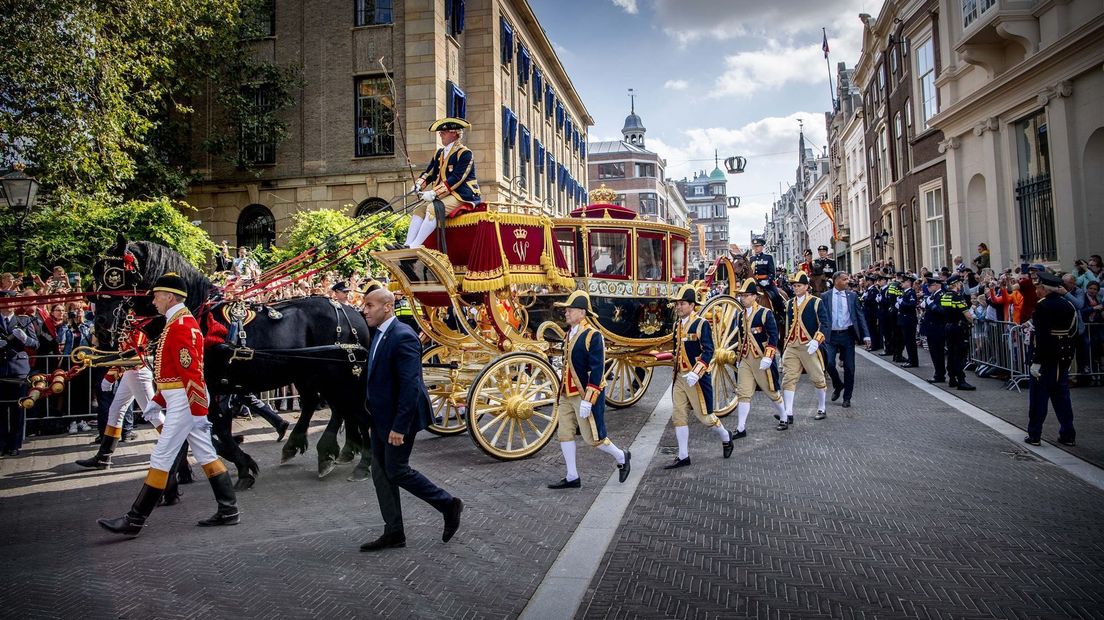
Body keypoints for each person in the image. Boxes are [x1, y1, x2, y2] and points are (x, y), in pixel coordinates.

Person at [98, 273, 239, 535]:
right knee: (206, 454)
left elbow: (192, 373)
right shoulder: (176, 323)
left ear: (169, 297)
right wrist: (157, 399)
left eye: (157, 296)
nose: (153, 301)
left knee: (161, 455)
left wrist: (197, 411)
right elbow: (172, 372)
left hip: (186, 401)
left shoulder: (181, 325)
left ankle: (135, 519)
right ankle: (229, 509)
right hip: (180, 398)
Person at [358, 287, 463, 551]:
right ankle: (394, 532)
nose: (364, 310)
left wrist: (399, 427)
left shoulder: (403, 336)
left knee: (396, 470)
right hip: (380, 418)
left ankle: (448, 504)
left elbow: (410, 386)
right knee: (381, 473)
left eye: (369, 305)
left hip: (397, 420)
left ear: (387, 307)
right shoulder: (379, 334)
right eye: (364, 305)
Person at [547, 291, 631, 488]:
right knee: (565, 433)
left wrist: (589, 399)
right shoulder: (569, 334)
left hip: (584, 394)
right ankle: (572, 476)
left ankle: (621, 457)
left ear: (582, 313)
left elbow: (597, 370)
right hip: (567, 393)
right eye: (566, 310)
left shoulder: (593, 336)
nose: (566, 313)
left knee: (593, 438)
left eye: (570, 310)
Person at [663, 284, 733, 469]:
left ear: (692, 305)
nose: (678, 307)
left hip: (696, 378)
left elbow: (708, 351)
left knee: (705, 418)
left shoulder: (701, 324)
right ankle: (683, 455)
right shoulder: (677, 325)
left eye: (682, 304)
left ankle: (726, 436)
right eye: (677, 304)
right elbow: (675, 349)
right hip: (680, 377)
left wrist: (696, 372)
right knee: (678, 415)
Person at [404, 117, 483, 249]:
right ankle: (407, 244)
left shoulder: (465, 153)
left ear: (454, 133)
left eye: (444, 132)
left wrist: (434, 192)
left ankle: (416, 246)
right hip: (445, 194)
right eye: (440, 132)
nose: (440, 134)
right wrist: (419, 184)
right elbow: (429, 173)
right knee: (419, 209)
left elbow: (457, 178)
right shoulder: (440, 153)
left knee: (432, 209)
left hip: (462, 195)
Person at [1024, 272, 1078, 446]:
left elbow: (1042, 336)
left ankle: (1035, 434)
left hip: (1045, 359)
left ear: (1044, 288)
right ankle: (1068, 433)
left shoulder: (1043, 306)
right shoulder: (1068, 305)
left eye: (1038, 288)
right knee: (1062, 398)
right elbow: (1073, 331)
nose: (1037, 291)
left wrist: (1036, 360)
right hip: (1062, 357)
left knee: (1039, 399)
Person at [729, 278, 786, 438]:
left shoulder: (765, 313)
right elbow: (740, 337)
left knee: (771, 391)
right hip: (746, 358)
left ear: (755, 296)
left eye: (746, 295)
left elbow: (773, 336)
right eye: (741, 295)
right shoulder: (740, 315)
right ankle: (741, 428)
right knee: (743, 393)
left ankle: (783, 416)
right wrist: (739, 357)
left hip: (761, 358)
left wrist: (768, 357)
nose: (743, 298)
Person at [779, 272, 830, 427]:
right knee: (788, 378)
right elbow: (787, 326)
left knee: (817, 377)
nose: (796, 288)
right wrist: (785, 346)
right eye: (794, 286)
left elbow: (825, 323)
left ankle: (822, 407)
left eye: (799, 285)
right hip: (792, 345)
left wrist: (817, 340)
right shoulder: (789, 304)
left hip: (809, 345)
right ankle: (788, 412)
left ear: (807, 287)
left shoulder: (816, 302)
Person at [820, 271, 871, 408]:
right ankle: (838, 385)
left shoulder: (852, 296)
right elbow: (821, 317)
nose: (847, 281)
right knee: (828, 364)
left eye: (848, 279)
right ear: (836, 280)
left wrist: (866, 335)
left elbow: (859, 316)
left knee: (849, 367)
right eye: (844, 279)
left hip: (847, 335)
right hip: (831, 336)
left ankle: (847, 397)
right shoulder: (825, 296)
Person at [1, 295, 38, 456]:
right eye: (5, 301)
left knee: (18, 408)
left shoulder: (23, 321)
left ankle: (14, 444)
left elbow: (36, 344)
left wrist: (25, 338)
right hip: (1, 370)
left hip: (18, 370)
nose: (9, 304)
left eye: (11, 301)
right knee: (0, 410)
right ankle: (1, 444)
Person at [941, 275, 976, 390]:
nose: (960, 285)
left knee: (951, 353)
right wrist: (972, 321)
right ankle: (961, 380)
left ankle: (952, 378)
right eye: (959, 283)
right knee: (959, 354)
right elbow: (967, 314)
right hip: (958, 327)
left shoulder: (945, 296)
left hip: (948, 326)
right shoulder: (957, 297)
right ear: (955, 284)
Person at [922, 277, 948, 384]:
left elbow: (942, 311)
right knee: (933, 351)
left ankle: (940, 374)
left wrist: (931, 305)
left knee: (937, 351)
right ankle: (938, 373)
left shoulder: (941, 295)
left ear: (937, 285)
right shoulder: (933, 295)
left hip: (938, 327)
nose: (928, 288)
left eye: (930, 285)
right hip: (932, 327)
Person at [749, 237, 783, 313]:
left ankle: (780, 315)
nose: (756, 248)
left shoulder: (768, 257)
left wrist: (767, 281)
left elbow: (772, 273)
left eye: (757, 246)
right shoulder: (751, 259)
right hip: (755, 284)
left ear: (762, 247)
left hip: (767, 284)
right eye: (754, 246)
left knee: (776, 296)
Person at [896, 273, 919, 367]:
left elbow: (912, 305)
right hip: (904, 319)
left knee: (910, 341)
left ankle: (913, 360)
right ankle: (910, 359)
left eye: (903, 282)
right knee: (907, 341)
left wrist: (902, 303)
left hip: (909, 320)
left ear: (909, 282)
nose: (902, 283)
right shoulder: (905, 292)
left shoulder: (911, 292)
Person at [861, 274, 882, 351]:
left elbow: (871, 301)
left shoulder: (873, 290)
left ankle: (874, 345)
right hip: (868, 313)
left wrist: (865, 298)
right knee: (870, 329)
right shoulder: (868, 290)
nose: (865, 283)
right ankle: (872, 344)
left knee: (872, 330)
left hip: (872, 313)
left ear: (870, 281)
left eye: (866, 281)